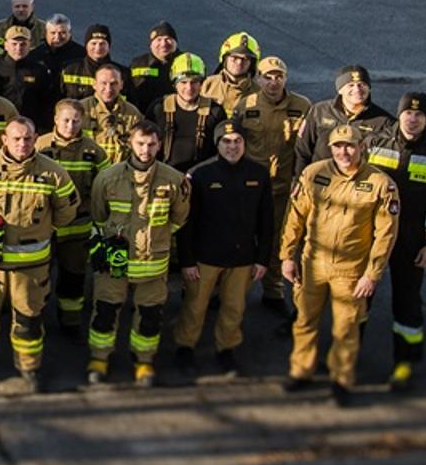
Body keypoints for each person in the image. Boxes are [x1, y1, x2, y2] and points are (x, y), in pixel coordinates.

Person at [280, 125, 399, 407]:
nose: (343, 152)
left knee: (346, 329)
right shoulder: (314, 173)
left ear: (361, 147)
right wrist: (287, 255)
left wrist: (372, 274)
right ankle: (301, 371)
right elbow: (295, 215)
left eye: (349, 146)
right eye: (337, 146)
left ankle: (341, 381)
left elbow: (386, 234)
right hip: (312, 264)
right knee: (304, 321)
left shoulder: (382, 183)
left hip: (351, 270)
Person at [0, 118, 78, 390]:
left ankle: (29, 367)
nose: (22, 144)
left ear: (36, 138)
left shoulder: (53, 173)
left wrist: (46, 229)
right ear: (4, 139)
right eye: (16, 138)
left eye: (27, 138)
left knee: (28, 321)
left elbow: (67, 211)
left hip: (32, 267)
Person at [87, 123, 191, 387]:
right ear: (130, 144)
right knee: (105, 312)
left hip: (152, 264)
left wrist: (157, 239)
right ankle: (99, 359)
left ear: (159, 145)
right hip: (115, 263)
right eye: (140, 143)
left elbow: (179, 219)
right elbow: (99, 216)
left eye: (151, 144)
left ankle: (144, 361)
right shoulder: (107, 178)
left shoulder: (174, 180)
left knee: (150, 315)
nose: (146, 150)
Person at [368, 92, 426, 392]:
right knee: (357, 299)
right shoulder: (374, 142)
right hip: (371, 237)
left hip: (411, 241)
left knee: (407, 302)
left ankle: (405, 363)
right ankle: (345, 358)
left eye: (419, 114)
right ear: (399, 114)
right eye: (407, 112)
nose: (413, 118)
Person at [173, 122, 272, 378]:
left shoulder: (259, 174)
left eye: (237, 141)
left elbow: (267, 221)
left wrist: (263, 259)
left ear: (244, 144)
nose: (232, 146)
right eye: (226, 141)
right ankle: (185, 349)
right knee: (195, 308)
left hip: (242, 258)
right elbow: (186, 223)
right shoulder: (199, 175)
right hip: (204, 257)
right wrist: (186, 261)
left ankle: (226, 350)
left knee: (234, 308)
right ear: (217, 144)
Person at [228, 56, 312, 312]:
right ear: (257, 78)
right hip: (251, 187)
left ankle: (274, 291)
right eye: (267, 76)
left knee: (278, 239)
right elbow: (233, 144)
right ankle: (235, 292)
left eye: (278, 77)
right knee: (242, 238)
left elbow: (308, 147)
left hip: (285, 188)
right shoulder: (246, 104)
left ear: (286, 78)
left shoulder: (303, 106)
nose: (273, 82)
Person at [36, 99, 108, 337]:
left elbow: (104, 188)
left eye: (76, 120)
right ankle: (35, 323)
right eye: (65, 120)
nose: (70, 125)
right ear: (55, 120)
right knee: (38, 279)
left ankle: (71, 323)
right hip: (45, 227)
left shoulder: (94, 151)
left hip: (78, 229)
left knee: (73, 279)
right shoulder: (39, 146)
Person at [294, 65, 396, 176]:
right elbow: (302, 151)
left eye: (362, 85)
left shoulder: (384, 121)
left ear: (369, 88)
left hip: (358, 186)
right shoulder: (319, 111)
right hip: (320, 181)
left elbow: (387, 163)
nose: (357, 89)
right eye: (350, 85)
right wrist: (299, 179)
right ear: (340, 90)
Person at [155, 53, 227, 173]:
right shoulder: (158, 109)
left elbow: (221, 151)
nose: (189, 88)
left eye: (194, 82)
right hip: (164, 176)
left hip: (203, 177)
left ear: (201, 84)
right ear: (175, 84)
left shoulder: (215, 112)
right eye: (183, 82)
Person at [0, 25, 59, 126]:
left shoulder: (39, 70)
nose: (18, 48)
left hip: (30, 125)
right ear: (6, 45)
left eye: (23, 44)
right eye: (14, 44)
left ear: (30, 45)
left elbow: (47, 102)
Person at [82, 65, 143, 165]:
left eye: (113, 83)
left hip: (119, 174)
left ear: (121, 85)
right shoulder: (80, 110)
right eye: (103, 83)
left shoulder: (133, 114)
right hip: (87, 171)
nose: (108, 89)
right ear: (94, 84)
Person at [59, 24, 125, 102]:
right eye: (93, 43)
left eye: (102, 43)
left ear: (108, 46)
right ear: (86, 46)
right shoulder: (69, 70)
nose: (98, 48)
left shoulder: (122, 73)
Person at [128, 21, 181, 113]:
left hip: (176, 116)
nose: (163, 44)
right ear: (151, 44)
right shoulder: (138, 64)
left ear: (175, 42)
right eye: (159, 39)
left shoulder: (185, 62)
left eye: (168, 39)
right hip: (143, 116)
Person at [201, 32, 261, 108]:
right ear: (225, 59)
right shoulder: (207, 85)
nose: (239, 62)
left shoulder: (259, 94)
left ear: (252, 64)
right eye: (234, 57)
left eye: (245, 59)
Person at [40, 14, 81, 79]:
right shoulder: (35, 55)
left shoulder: (81, 55)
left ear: (70, 33)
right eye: (53, 33)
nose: (57, 37)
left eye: (62, 33)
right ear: (45, 33)